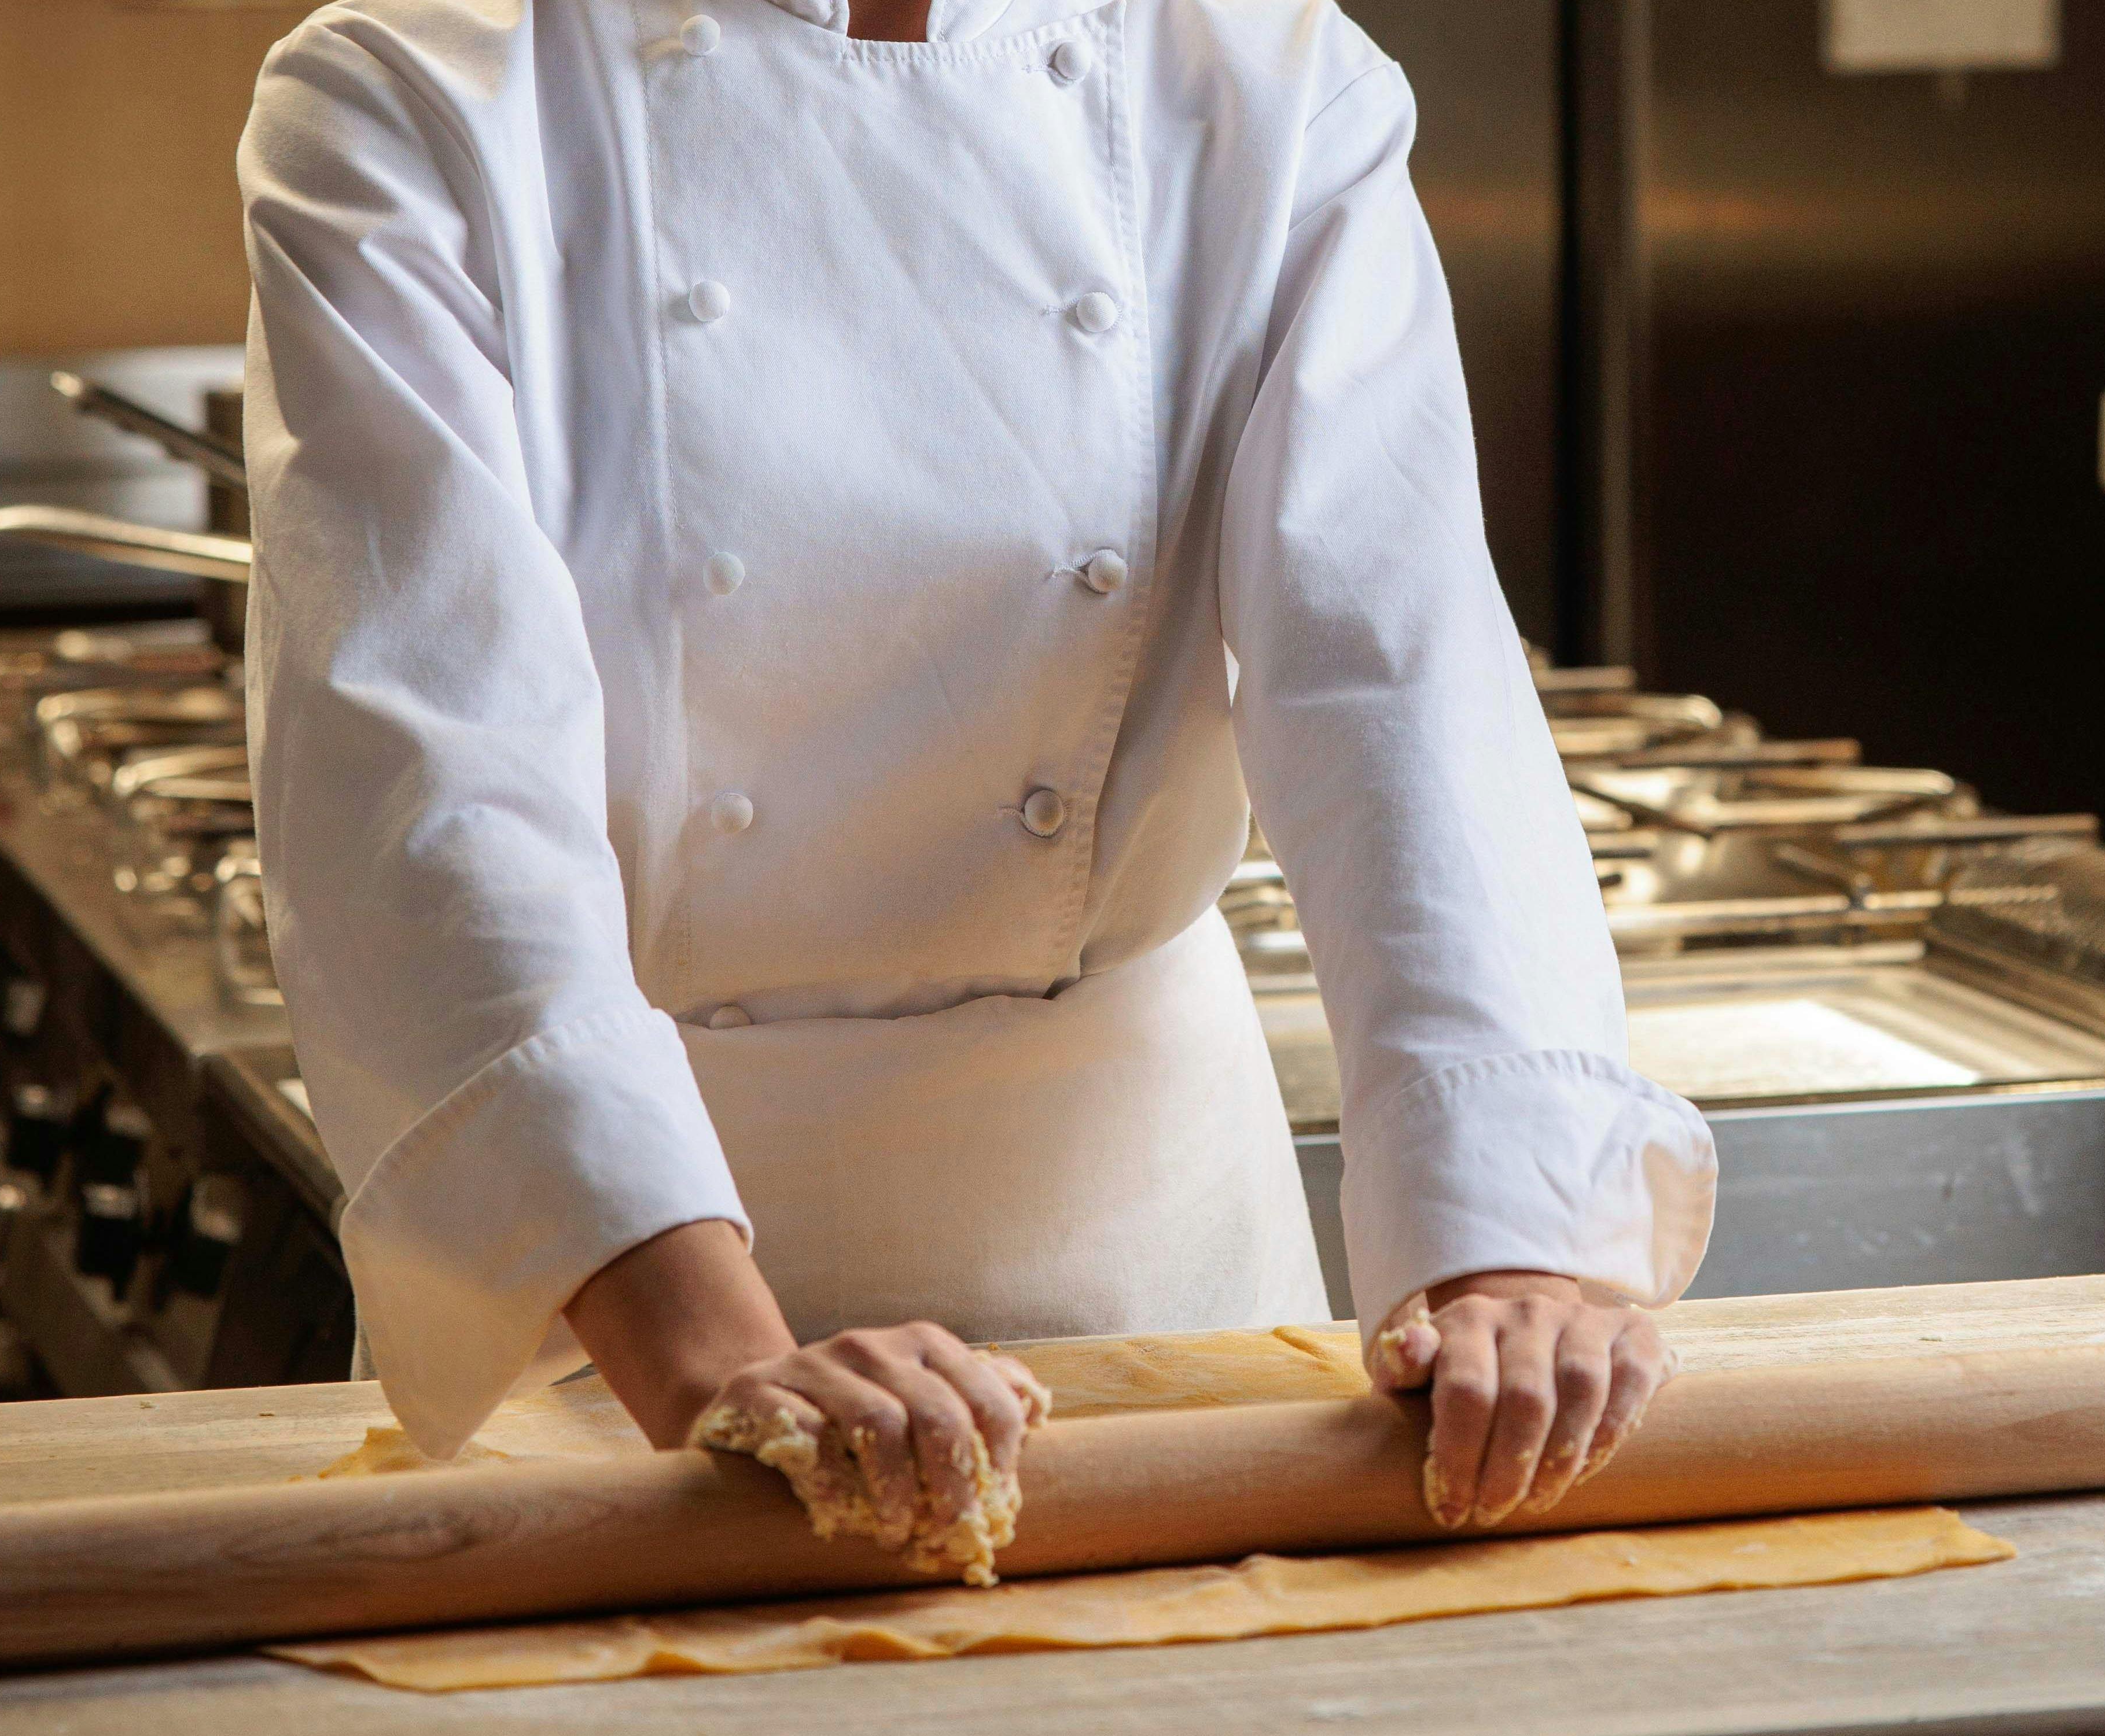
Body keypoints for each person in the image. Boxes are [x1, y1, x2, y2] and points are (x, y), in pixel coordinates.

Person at [238, 0, 1717, 1538]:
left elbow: (1392, 664)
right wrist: (712, 1362)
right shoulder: (417, 89)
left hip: (1152, 1261)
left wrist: (1507, 1244)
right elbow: (420, 760)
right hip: (611, 1297)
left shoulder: (1261, 73)